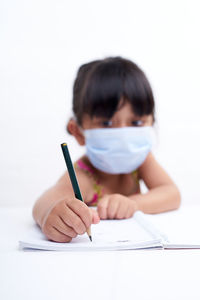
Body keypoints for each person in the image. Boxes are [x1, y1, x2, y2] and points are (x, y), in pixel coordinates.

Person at [33, 56, 181, 243]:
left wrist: (132, 204)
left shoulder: (141, 160)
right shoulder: (84, 176)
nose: (123, 135)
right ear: (78, 132)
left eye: (136, 122)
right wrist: (50, 213)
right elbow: (44, 201)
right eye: (107, 123)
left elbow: (171, 193)